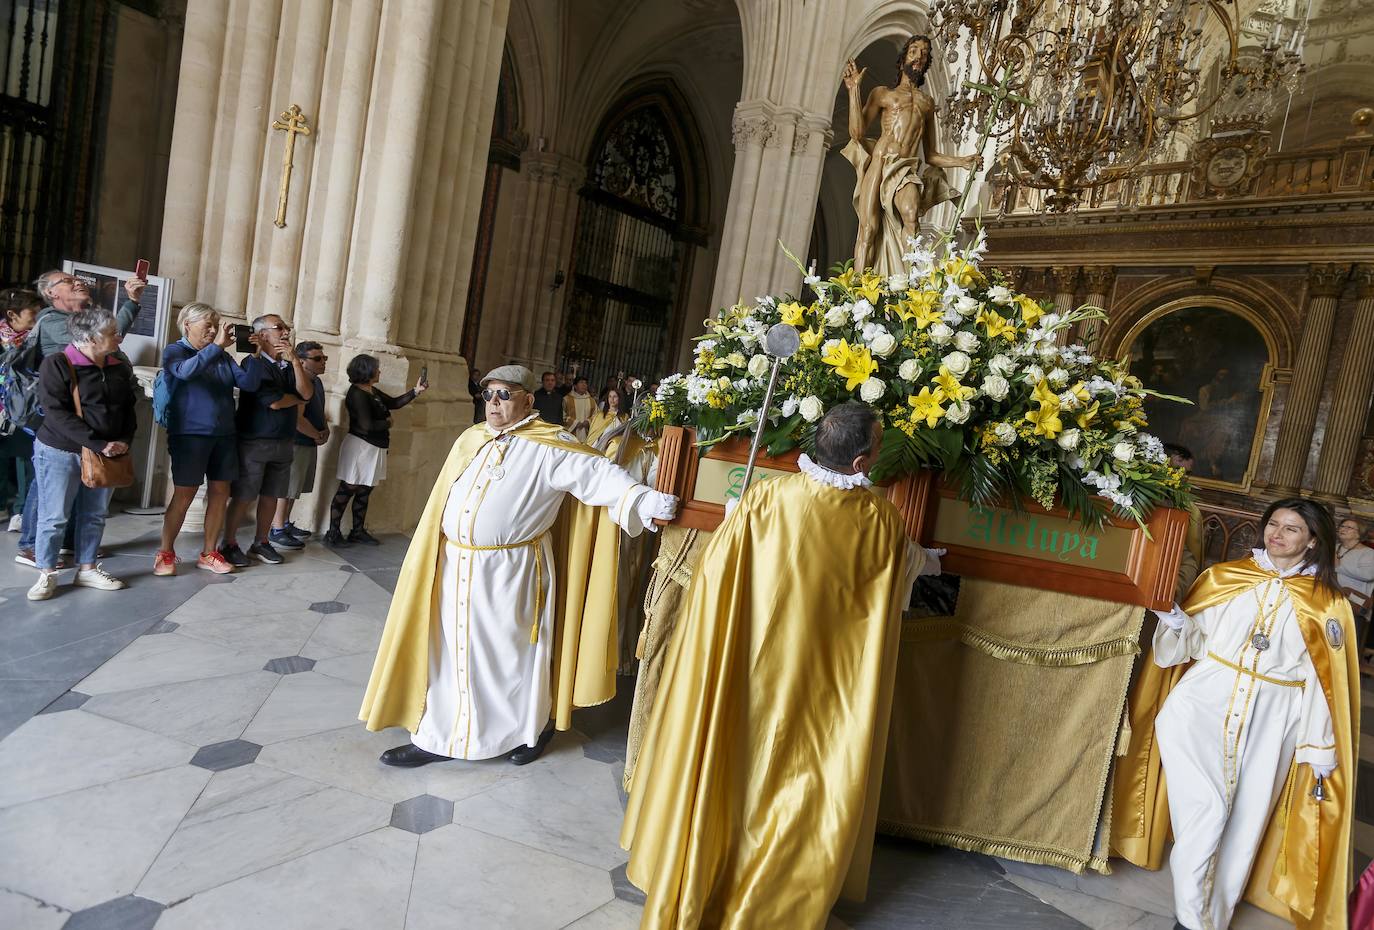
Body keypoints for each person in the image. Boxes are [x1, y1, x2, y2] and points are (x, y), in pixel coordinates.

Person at [621, 402, 942, 929]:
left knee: (734, 762)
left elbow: (718, 573)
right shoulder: (880, 518)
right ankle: (779, 894)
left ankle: (710, 869)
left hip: (747, 668)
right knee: (804, 776)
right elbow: (907, 565)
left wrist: (734, 519)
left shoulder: (766, 496)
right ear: (862, 464)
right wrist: (935, 560)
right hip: (825, 685)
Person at [359, 364, 679, 768]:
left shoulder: (551, 445)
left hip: (512, 569)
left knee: (507, 658)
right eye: (488, 394)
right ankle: (438, 736)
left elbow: (599, 474)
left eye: (504, 394)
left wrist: (642, 498)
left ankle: (527, 731)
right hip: (455, 564)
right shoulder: (472, 438)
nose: (493, 402)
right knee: (448, 652)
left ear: (528, 400)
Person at [1112, 498, 1357, 930]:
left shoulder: (1327, 604)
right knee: (1206, 811)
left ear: (1313, 541)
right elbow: (1189, 646)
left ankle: (1210, 918)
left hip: (1273, 718)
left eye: (1292, 529)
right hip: (1201, 704)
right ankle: (1192, 920)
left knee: (1244, 822)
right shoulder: (1224, 578)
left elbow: (1324, 683)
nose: (1276, 534)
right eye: (1273, 525)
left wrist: (1319, 746)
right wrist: (1173, 619)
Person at [841, 35, 980, 275]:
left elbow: (932, 154)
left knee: (911, 217)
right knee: (868, 229)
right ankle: (856, 291)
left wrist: (962, 162)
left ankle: (905, 283)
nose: (919, 56)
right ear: (903, 58)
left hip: (906, 169)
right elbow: (856, 132)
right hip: (880, 163)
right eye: (914, 50)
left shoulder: (927, 104)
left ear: (926, 63)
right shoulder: (883, 94)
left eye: (924, 53)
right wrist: (854, 91)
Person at [27, 309, 138, 600]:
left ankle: (87, 568)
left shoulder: (116, 366)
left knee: (95, 514)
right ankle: (47, 573)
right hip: (60, 450)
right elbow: (55, 413)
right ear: (89, 337)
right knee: (54, 516)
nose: (119, 336)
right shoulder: (58, 364)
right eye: (111, 332)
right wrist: (98, 443)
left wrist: (124, 440)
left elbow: (128, 408)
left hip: (107, 453)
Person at [155, 303, 262, 575]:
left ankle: (209, 552)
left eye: (216, 325)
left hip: (224, 435)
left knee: (219, 494)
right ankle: (165, 553)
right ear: (187, 325)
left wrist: (256, 356)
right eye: (208, 325)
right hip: (190, 436)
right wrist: (217, 348)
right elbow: (185, 372)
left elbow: (248, 384)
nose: (213, 331)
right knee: (184, 495)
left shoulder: (223, 358)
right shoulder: (175, 351)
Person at [219, 314, 313, 568]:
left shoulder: (288, 365)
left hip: (284, 439)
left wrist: (295, 361)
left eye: (286, 327)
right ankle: (228, 543)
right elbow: (274, 401)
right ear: (261, 335)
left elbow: (306, 393)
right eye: (279, 327)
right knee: (245, 495)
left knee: (272, 494)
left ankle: (261, 542)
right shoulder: (253, 362)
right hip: (255, 440)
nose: (285, 332)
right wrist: (295, 399)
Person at [324, 353, 426, 547]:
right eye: (376, 368)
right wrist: (387, 423)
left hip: (374, 447)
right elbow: (366, 425)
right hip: (360, 447)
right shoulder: (356, 393)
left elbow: (394, 403)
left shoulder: (371, 390)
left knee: (364, 490)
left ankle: (357, 531)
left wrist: (415, 391)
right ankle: (333, 533)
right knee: (347, 489)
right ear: (367, 371)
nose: (379, 371)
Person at [270, 341, 329, 548]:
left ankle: (285, 523)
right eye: (317, 359)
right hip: (297, 441)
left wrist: (324, 429)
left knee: (296, 488)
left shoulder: (318, 382)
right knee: (287, 487)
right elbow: (297, 418)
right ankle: (277, 528)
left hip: (310, 441)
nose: (323, 362)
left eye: (324, 358)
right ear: (301, 362)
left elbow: (319, 410)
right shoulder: (298, 381)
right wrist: (315, 434)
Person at [2, 288, 41, 544]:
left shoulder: (34, 339)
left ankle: (19, 510)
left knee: (26, 459)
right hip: (3, 407)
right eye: (32, 313)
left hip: (22, 409)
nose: (37, 317)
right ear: (12, 314)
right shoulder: (5, 339)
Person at [32, 270, 145, 358]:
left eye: (80, 280)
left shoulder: (89, 316)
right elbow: (104, 337)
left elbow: (112, 334)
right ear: (50, 292)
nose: (79, 282)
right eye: (68, 281)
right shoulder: (50, 321)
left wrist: (133, 299)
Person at [1336, 516, 1373, 624]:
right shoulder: (1334, 547)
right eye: (1342, 526)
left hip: (1353, 602)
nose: (1343, 529)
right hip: (1329, 599)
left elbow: (1368, 575)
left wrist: (1338, 566)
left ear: (1359, 534)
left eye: (1349, 527)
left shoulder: (1368, 552)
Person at [587, 386, 626, 450]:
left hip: (615, 449)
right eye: (610, 396)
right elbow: (594, 436)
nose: (612, 399)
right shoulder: (600, 416)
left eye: (615, 396)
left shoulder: (624, 417)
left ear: (619, 398)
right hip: (600, 448)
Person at [562, 376, 595, 442]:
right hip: (571, 433)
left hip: (586, 432)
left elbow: (596, 415)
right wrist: (575, 423)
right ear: (575, 386)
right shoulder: (567, 399)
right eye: (581, 382)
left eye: (585, 383)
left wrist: (588, 422)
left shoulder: (591, 400)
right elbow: (562, 415)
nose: (584, 385)